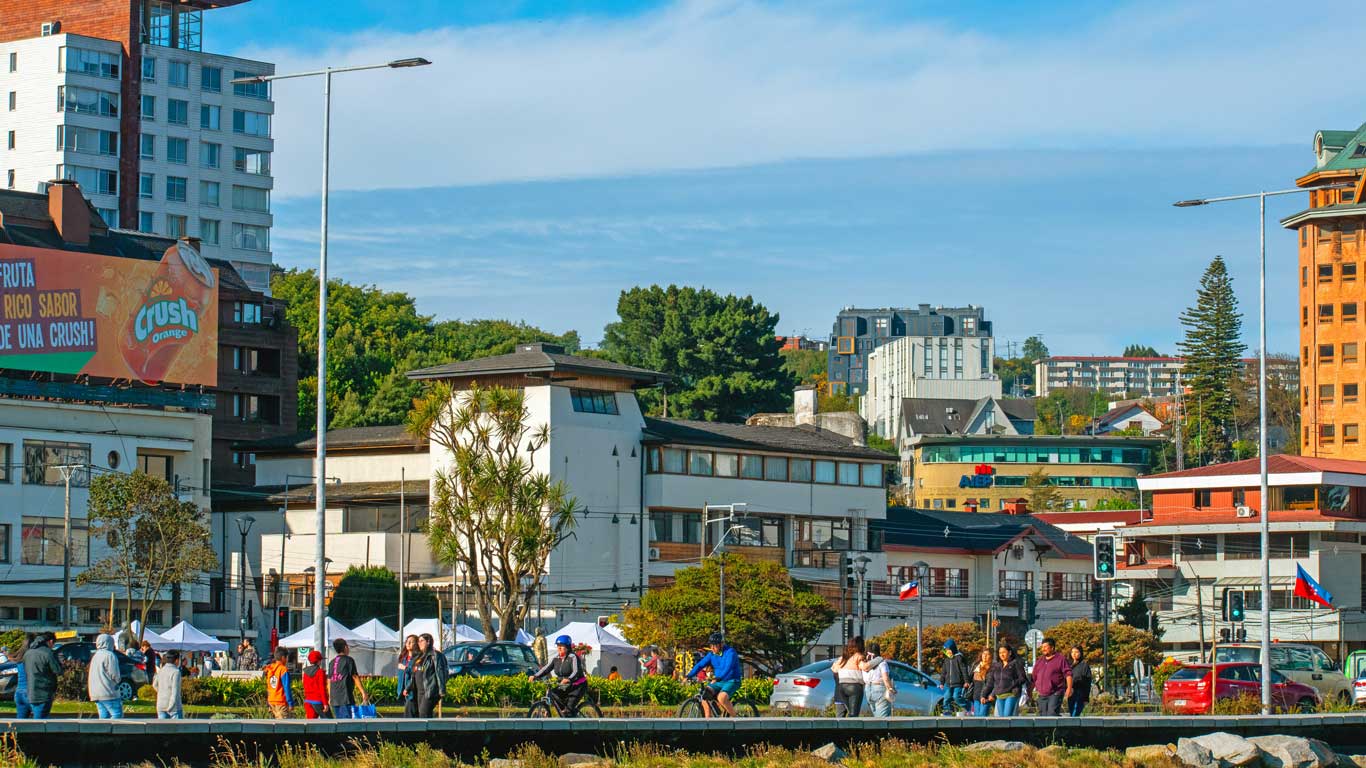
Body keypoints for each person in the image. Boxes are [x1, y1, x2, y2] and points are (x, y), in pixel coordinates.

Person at [530, 634, 589, 716]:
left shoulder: (573, 657)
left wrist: (569, 679)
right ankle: (564, 713)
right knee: (554, 694)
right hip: (565, 685)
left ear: (568, 647)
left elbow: (576, 671)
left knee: (569, 708)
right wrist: (535, 676)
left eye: (561, 646)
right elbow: (545, 669)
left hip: (577, 686)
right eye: (558, 646)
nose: (559, 648)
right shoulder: (556, 659)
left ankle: (570, 715)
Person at [685, 632, 742, 718]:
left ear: (721, 644)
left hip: (732, 681)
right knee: (704, 695)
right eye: (711, 645)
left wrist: (719, 677)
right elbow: (700, 665)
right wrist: (689, 675)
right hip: (718, 681)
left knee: (721, 697)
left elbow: (728, 667)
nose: (712, 648)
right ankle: (708, 720)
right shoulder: (711, 654)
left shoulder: (730, 653)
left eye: (714, 645)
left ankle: (736, 719)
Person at [1030, 637, 1072, 717]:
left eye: (1045, 647)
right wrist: (1030, 691)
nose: (1043, 649)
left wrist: (1069, 688)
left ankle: (1055, 729)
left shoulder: (1060, 659)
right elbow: (1034, 677)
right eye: (1042, 647)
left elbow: (1068, 674)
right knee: (1042, 716)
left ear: (1052, 647)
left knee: (1052, 714)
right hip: (1042, 694)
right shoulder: (1040, 661)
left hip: (1056, 693)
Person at [328, 638, 369, 718]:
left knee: (339, 721)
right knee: (346, 722)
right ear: (345, 647)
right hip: (345, 697)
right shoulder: (349, 660)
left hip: (334, 697)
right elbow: (355, 676)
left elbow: (329, 680)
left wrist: (330, 696)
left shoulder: (332, 662)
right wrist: (363, 692)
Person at [24, 633, 61, 720]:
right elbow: (57, 670)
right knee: (41, 722)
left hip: (31, 692)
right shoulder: (47, 653)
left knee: (35, 718)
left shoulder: (28, 653)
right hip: (44, 692)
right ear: (51, 641)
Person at [409, 634, 447, 718]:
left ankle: (428, 731)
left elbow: (440, 672)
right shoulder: (419, 656)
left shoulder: (435, 656)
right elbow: (414, 673)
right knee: (422, 714)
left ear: (428, 642)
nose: (419, 643)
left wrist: (441, 690)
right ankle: (429, 731)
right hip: (419, 691)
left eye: (421, 641)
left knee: (424, 713)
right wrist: (409, 687)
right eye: (418, 641)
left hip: (430, 690)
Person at [88, 633, 124, 719]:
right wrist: (118, 681)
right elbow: (114, 674)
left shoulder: (95, 656)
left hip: (95, 692)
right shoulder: (109, 655)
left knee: (104, 716)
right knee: (117, 714)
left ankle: (102, 732)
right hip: (108, 691)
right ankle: (116, 732)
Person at [986, 645, 1028, 717]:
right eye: (1000, 653)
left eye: (1004, 652)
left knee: (1007, 716)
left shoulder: (1015, 663)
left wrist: (1012, 684)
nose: (1001, 654)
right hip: (999, 695)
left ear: (1010, 653)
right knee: (1002, 719)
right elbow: (994, 682)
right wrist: (991, 694)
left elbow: (1023, 678)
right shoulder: (997, 665)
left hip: (1011, 694)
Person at [830, 636, 866, 718]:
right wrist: (877, 660)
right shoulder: (858, 656)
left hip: (841, 688)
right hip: (855, 686)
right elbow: (864, 667)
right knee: (853, 714)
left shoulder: (842, 658)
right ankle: (852, 729)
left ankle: (840, 730)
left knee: (840, 716)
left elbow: (834, 669)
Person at [863, 641, 895, 717]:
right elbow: (885, 678)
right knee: (882, 720)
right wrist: (890, 688)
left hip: (868, 690)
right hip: (880, 689)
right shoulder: (882, 663)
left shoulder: (864, 664)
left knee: (876, 718)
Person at [940, 638, 969, 715]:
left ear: (953, 649)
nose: (948, 652)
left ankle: (966, 707)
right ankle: (947, 710)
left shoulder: (959, 658)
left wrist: (966, 681)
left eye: (949, 650)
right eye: (946, 650)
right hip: (948, 684)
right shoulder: (946, 660)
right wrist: (942, 682)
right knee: (946, 697)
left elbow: (964, 670)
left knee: (956, 697)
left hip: (958, 683)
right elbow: (943, 672)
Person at [265, 647, 295, 719]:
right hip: (280, 702)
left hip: (271, 701)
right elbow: (286, 687)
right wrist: (290, 702)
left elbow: (269, 687)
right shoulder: (283, 670)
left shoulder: (270, 668)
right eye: (287, 657)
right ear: (283, 657)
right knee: (283, 727)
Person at [153, 650, 184, 719]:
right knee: (179, 729)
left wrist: (162, 692)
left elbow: (154, 684)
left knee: (162, 729)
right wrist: (171, 705)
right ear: (176, 660)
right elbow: (175, 691)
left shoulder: (161, 670)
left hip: (161, 704)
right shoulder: (176, 672)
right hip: (174, 708)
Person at [301, 650, 329, 719]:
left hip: (308, 701)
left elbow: (304, 686)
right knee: (329, 722)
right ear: (319, 661)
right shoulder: (320, 672)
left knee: (310, 725)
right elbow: (322, 688)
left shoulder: (305, 672)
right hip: (318, 701)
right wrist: (325, 703)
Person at [1066, 646, 1091, 717]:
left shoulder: (1084, 665)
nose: (1074, 654)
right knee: (1071, 714)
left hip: (1080, 693)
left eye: (1076, 652)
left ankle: (1073, 727)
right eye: (1072, 652)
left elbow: (1087, 682)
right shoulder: (1068, 665)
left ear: (1081, 653)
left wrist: (1086, 698)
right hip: (1070, 692)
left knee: (1075, 714)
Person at [396, 635, 418, 717]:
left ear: (416, 644)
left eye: (411, 642)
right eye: (407, 641)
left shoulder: (417, 658)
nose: (408, 643)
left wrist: (406, 668)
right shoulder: (403, 658)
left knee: (409, 715)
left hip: (411, 691)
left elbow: (416, 673)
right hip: (403, 691)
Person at [969, 648, 994, 717]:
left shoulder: (993, 667)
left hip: (986, 697)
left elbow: (993, 683)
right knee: (977, 718)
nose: (985, 656)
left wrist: (992, 694)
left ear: (991, 656)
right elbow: (969, 679)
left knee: (982, 717)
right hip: (976, 696)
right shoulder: (976, 665)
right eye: (983, 654)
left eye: (987, 654)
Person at [11, 635, 30, 719]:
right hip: (29, 691)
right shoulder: (31, 657)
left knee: (20, 723)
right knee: (40, 721)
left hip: (19, 691)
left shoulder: (20, 657)